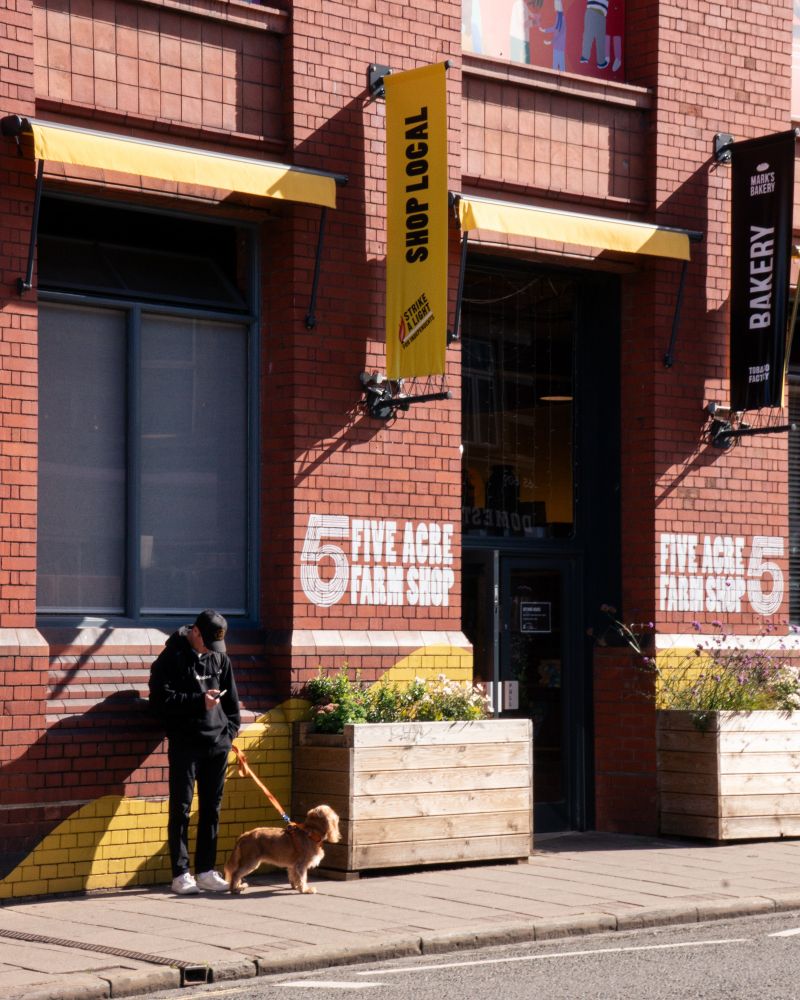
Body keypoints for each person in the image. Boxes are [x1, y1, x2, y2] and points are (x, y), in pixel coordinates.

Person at [149, 609, 241, 895]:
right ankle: (180, 874)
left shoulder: (219, 658)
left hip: (217, 745)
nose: (212, 651)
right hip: (186, 744)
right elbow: (161, 701)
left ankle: (205, 870)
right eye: (207, 642)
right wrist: (197, 702)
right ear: (195, 632)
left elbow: (233, 703)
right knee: (181, 809)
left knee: (212, 810)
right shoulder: (171, 658)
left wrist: (228, 733)